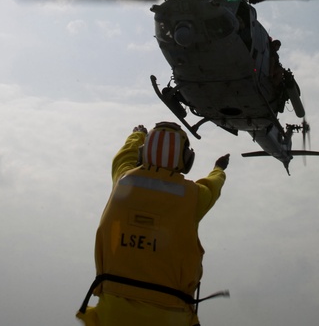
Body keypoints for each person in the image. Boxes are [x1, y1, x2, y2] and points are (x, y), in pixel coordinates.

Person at [77, 122, 230, 326]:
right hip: (170, 315)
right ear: (186, 159)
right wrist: (218, 169)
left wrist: (137, 135)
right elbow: (213, 187)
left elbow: (123, 157)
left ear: (142, 153)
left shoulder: (123, 180)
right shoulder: (194, 196)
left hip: (113, 312)